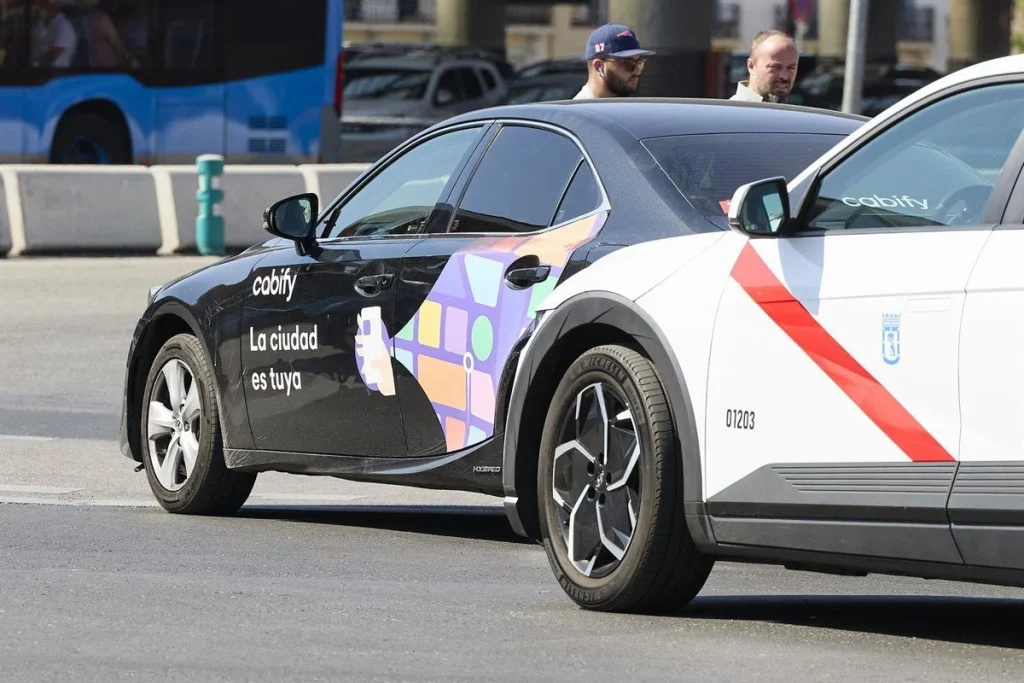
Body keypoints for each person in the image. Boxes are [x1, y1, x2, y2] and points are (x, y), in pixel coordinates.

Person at [574, 23, 655, 100]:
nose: (637, 71)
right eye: (628, 63)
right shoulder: (577, 112)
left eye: (639, 62)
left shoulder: (631, 110)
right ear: (598, 66)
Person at [731, 30, 799, 103]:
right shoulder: (729, 112)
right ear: (751, 66)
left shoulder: (795, 113)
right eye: (775, 67)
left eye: (791, 68)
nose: (784, 76)